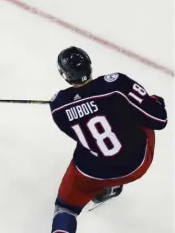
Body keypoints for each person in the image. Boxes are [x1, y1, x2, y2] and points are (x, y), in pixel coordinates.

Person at [50, 46, 168, 233]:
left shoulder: (57, 106)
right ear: (89, 65)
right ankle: (111, 186)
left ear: (64, 75)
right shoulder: (116, 85)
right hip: (135, 165)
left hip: (92, 172)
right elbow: (159, 120)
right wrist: (154, 100)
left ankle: (103, 186)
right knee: (136, 118)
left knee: (65, 208)